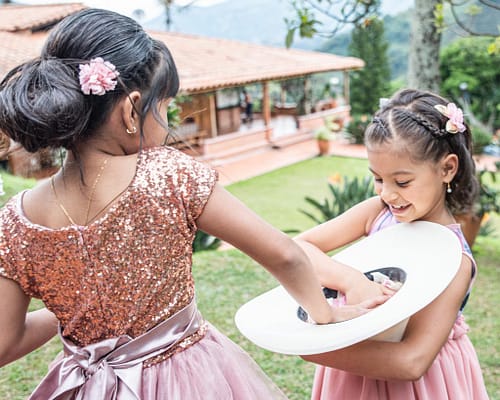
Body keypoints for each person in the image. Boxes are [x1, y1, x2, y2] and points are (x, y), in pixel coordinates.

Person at [0, 9, 389, 399]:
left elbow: (5, 343)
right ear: (131, 110)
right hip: (184, 376)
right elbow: (284, 254)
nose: (168, 124)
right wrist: (326, 314)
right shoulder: (169, 174)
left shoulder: (15, 221)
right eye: (165, 107)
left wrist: (78, 307)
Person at [294, 88, 490, 399]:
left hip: (419, 386)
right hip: (356, 371)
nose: (387, 193)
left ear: (447, 168)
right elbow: (299, 249)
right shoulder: (377, 213)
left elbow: (413, 361)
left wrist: (315, 351)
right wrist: (351, 280)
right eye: (378, 179)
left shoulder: (454, 260)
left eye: (402, 182)